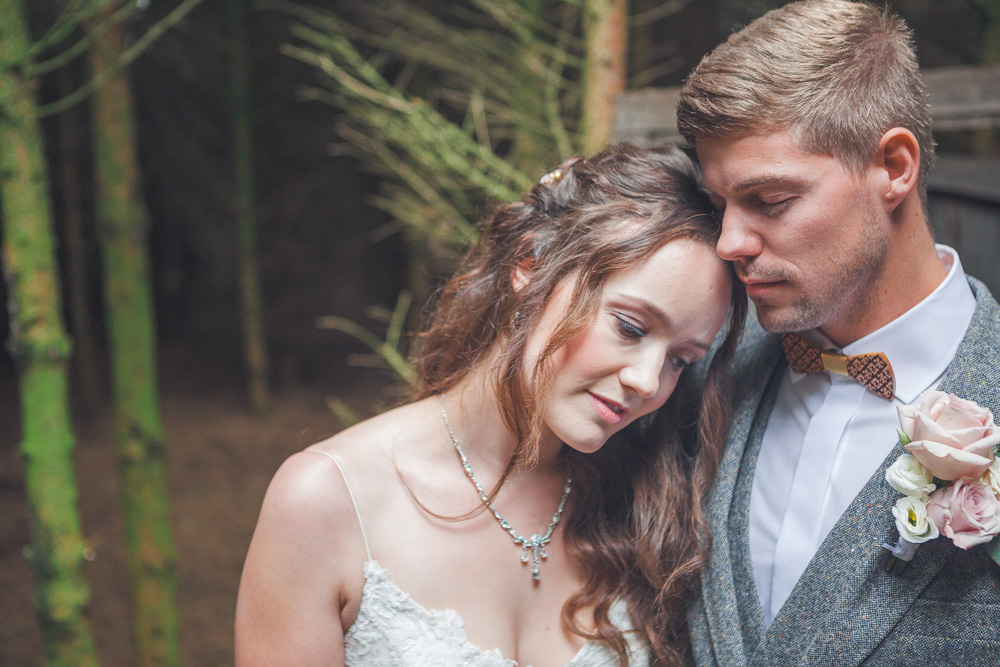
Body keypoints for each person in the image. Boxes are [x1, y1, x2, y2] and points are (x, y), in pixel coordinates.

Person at [234, 143, 747, 667]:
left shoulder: (651, 503)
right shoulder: (325, 502)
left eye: (680, 360)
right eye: (630, 327)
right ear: (531, 265)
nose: (648, 381)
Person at [675, 1, 1000, 665]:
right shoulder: (688, 375)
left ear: (894, 167)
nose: (730, 242)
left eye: (771, 201)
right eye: (719, 207)